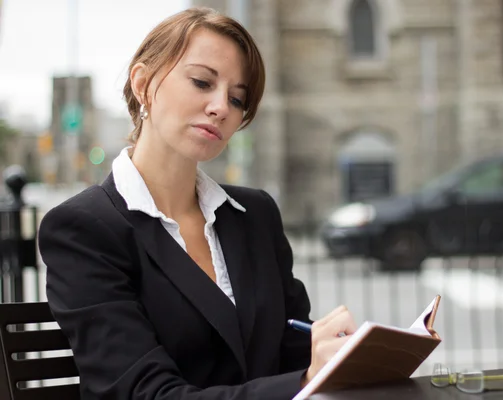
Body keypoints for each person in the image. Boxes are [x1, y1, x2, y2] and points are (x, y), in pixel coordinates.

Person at [38, 7, 357, 400]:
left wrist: (346, 355)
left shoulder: (255, 215)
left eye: (238, 99)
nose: (221, 107)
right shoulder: (83, 230)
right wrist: (306, 380)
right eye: (202, 82)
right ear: (143, 84)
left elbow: (294, 353)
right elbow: (145, 394)